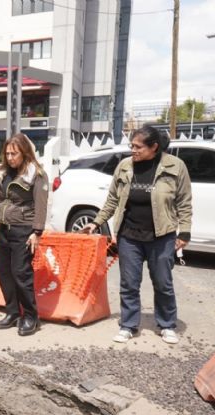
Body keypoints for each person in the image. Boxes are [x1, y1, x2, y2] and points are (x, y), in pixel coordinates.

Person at [81, 126, 192, 345]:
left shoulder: (175, 166)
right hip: (129, 236)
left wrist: (185, 231)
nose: (133, 150)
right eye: (131, 145)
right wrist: (96, 222)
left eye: (138, 146)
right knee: (129, 283)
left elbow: (184, 202)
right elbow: (112, 200)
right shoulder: (124, 166)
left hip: (161, 236)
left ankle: (167, 324)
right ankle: (128, 325)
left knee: (163, 283)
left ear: (154, 147)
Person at [0, 133, 49, 336]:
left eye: (14, 153)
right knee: (4, 273)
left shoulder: (36, 174)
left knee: (21, 274)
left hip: (24, 229)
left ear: (24, 152)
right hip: (5, 229)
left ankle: (31, 316)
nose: (11, 157)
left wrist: (37, 232)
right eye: (7, 153)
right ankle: (13, 312)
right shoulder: (5, 172)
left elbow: (41, 204)